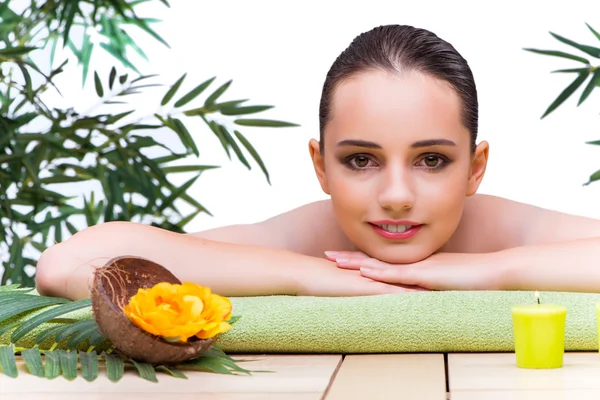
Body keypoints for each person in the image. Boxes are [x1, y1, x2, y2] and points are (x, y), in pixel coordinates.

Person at [36, 24, 600, 301]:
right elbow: (65, 265)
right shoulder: (310, 236)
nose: (397, 195)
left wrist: (488, 269)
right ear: (320, 164)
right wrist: (311, 275)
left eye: (431, 159)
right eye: (361, 160)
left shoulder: (502, 230)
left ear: (475, 168)